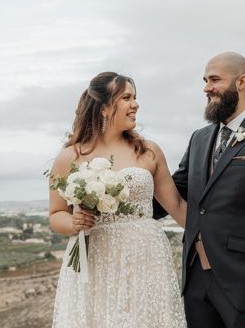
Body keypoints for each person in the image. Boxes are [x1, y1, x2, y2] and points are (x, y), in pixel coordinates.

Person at [154, 52, 245, 328]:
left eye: (215, 80)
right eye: (205, 80)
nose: (206, 87)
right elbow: (175, 192)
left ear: (242, 81)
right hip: (196, 282)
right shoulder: (199, 138)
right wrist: (121, 202)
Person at [49, 72, 187, 327]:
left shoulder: (148, 151)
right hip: (96, 261)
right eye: (126, 97)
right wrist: (74, 223)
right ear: (104, 108)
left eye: (135, 97)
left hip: (146, 258)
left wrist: (215, 240)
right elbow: (56, 215)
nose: (135, 104)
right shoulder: (70, 157)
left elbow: (177, 206)